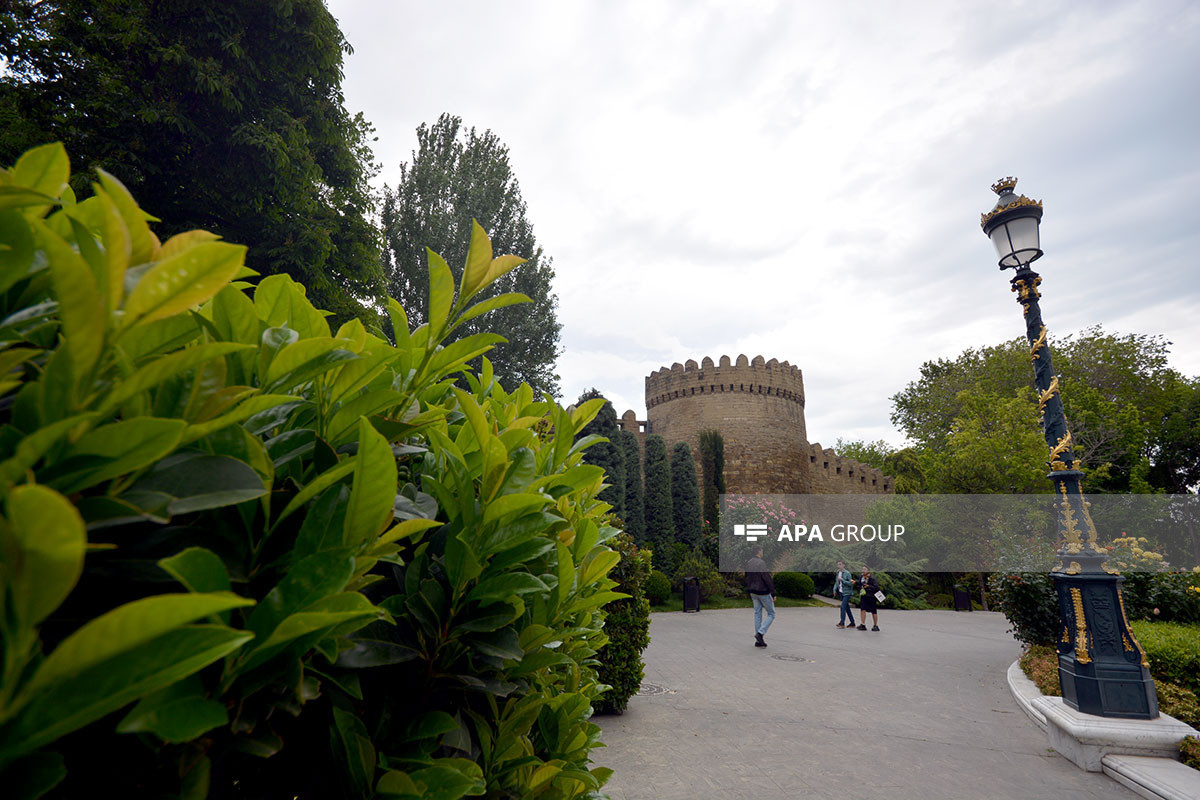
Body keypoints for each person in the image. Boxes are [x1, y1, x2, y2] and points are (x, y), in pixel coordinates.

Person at [745, 545, 776, 647]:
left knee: (757, 613)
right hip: (763, 591)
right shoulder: (761, 563)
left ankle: (758, 641)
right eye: (762, 550)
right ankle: (760, 633)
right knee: (771, 613)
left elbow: (747, 576)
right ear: (759, 551)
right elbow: (766, 578)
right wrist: (773, 592)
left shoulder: (749, 562)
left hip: (753, 591)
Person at [833, 559, 855, 629]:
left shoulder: (847, 573)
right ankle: (852, 622)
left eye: (840, 564)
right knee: (847, 607)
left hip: (847, 592)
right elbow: (837, 582)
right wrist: (834, 589)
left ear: (843, 565)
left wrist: (842, 580)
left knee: (842, 606)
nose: (839, 566)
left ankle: (842, 622)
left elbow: (850, 583)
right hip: (841, 591)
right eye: (838, 564)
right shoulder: (838, 572)